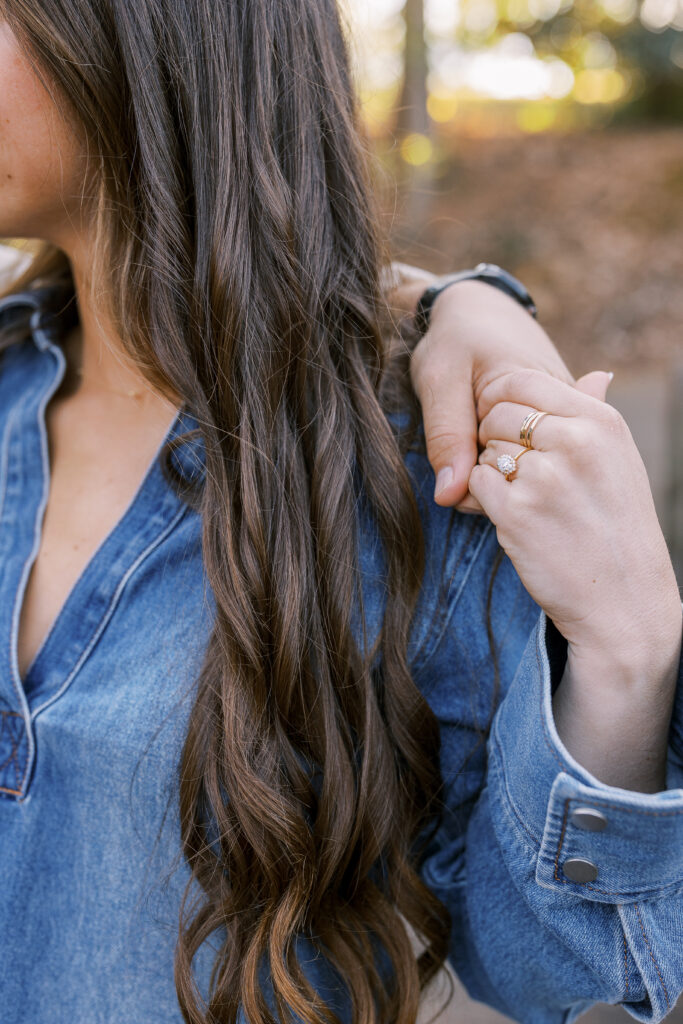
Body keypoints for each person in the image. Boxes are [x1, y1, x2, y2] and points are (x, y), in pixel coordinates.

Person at [0, 3, 681, 1024]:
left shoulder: (401, 468)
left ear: (152, 36)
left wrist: (626, 660)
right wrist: (461, 294)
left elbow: (556, 971)